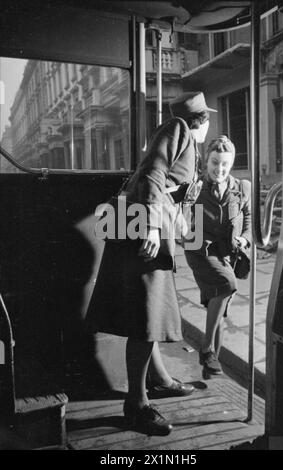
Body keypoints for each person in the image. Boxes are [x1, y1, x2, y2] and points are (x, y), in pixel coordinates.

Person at [86, 91, 217, 435]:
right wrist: (152, 228)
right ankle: (137, 404)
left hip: (144, 225)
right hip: (144, 230)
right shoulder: (179, 129)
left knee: (150, 314)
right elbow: (152, 175)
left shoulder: (180, 135)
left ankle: (158, 380)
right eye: (208, 120)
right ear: (200, 121)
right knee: (147, 316)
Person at [184, 136, 251, 376]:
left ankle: (212, 366)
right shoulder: (196, 186)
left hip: (227, 253)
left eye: (225, 164)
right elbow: (180, 217)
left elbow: (248, 217)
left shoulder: (241, 187)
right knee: (227, 285)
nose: (219, 169)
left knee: (221, 310)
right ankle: (206, 348)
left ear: (231, 164)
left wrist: (245, 238)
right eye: (215, 162)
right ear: (206, 161)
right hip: (200, 250)